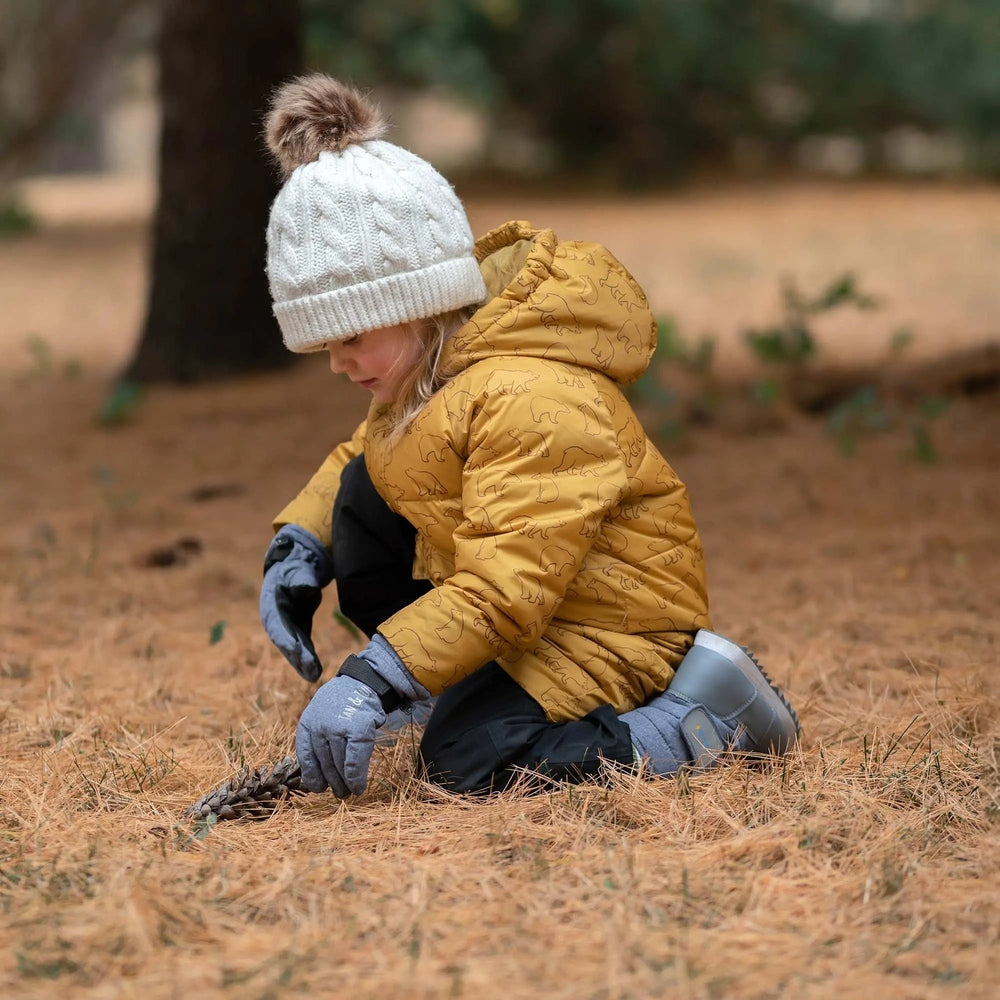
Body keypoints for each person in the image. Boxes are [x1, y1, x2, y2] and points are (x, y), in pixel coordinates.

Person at [258, 74, 800, 798]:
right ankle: (444, 687)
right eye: (323, 345)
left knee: (468, 762)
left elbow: (508, 587)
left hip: (607, 621)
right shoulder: (429, 371)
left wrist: (376, 672)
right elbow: (365, 457)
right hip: (532, 607)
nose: (337, 362)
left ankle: (698, 721)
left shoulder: (531, 395)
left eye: (351, 335)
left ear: (420, 304)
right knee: (364, 492)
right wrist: (300, 542)